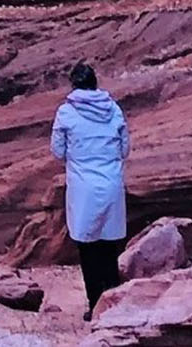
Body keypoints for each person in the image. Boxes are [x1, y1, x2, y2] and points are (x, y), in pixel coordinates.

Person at [52, 62, 130, 313]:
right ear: (95, 83)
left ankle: (95, 304)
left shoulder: (66, 112)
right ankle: (114, 301)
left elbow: (57, 151)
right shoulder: (114, 110)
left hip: (83, 187)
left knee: (87, 247)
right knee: (109, 246)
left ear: (74, 84)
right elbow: (124, 149)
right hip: (111, 184)